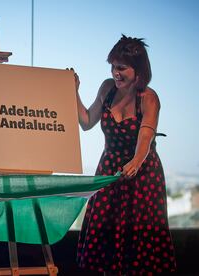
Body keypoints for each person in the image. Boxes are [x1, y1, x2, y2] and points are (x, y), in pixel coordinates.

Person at [75, 35, 176, 274]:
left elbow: (145, 138)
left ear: (138, 70)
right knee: (104, 234)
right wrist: (73, 91)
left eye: (121, 68)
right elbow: (87, 121)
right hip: (109, 169)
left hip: (141, 174)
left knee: (138, 240)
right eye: (112, 66)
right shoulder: (107, 88)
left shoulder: (148, 98)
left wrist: (136, 162)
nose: (115, 73)